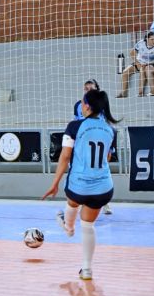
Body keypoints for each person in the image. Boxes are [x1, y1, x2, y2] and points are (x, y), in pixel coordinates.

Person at [42, 89, 120, 281]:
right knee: (88, 226)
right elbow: (107, 157)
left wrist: (54, 183)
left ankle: (68, 227)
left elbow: (65, 156)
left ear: (86, 106)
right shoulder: (110, 130)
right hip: (103, 188)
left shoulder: (74, 126)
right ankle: (86, 270)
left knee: (73, 202)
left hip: (79, 185)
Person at [71, 80, 113, 215]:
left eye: (91, 88)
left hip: (98, 140)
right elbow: (76, 123)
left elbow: (106, 122)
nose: (88, 90)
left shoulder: (101, 105)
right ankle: (79, 202)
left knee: (100, 170)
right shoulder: (78, 105)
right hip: (83, 142)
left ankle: (104, 202)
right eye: (86, 88)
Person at [117, 31, 154, 98]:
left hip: (151, 64)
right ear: (147, 39)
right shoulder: (140, 43)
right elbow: (132, 53)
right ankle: (123, 93)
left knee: (142, 69)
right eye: (152, 39)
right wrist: (137, 62)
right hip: (139, 62)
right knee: (125, 72)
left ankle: (140, 92)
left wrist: (148, 63)